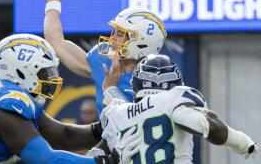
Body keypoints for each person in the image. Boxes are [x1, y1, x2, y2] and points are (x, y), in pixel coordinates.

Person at [0, 34, 141, 164]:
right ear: (21, 71)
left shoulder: (8, 93)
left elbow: (64, 136)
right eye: (45, 72)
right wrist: (108, 162)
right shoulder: (5, 109)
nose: (51, 78)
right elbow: (46, 160)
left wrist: (103, 127)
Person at [100, 54, 258, 163]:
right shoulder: (173, 99)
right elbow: (207, 125)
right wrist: (243, 143)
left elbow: (120, 106)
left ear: (135, 85)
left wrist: (109, 89)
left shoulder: (115, 113)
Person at [44, 0, 167, 115]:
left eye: (120, 34)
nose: (112, 39)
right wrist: (53, 2)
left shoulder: (155, 82)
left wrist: (111, 87)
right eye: (114, 32)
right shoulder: (103, 60)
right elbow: (55, 41)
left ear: (142, 43)